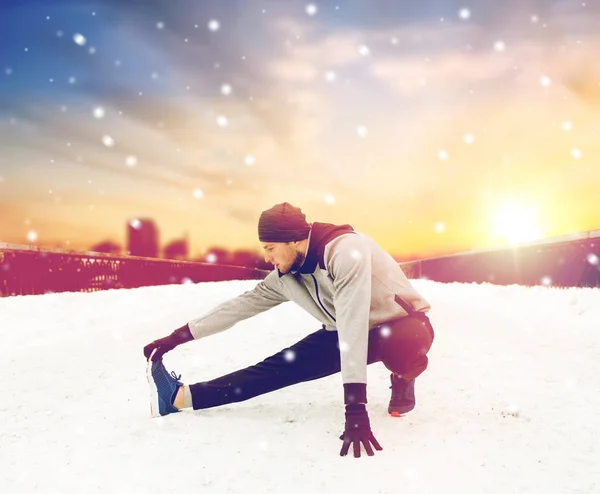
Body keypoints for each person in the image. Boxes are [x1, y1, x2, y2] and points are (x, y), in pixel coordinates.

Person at [144, 202, 434, 458]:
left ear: (294, 240)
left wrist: (355, 409)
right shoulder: (286, 275)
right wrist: (177, 337)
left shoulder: (347, 252)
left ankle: (403, 376)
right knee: (278, 367)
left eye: (270, 248)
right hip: (342, 330)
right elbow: (240, 306)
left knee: (404, 345)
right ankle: (180, 398)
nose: (267, 257)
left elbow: (354, 327)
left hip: (401, 325)